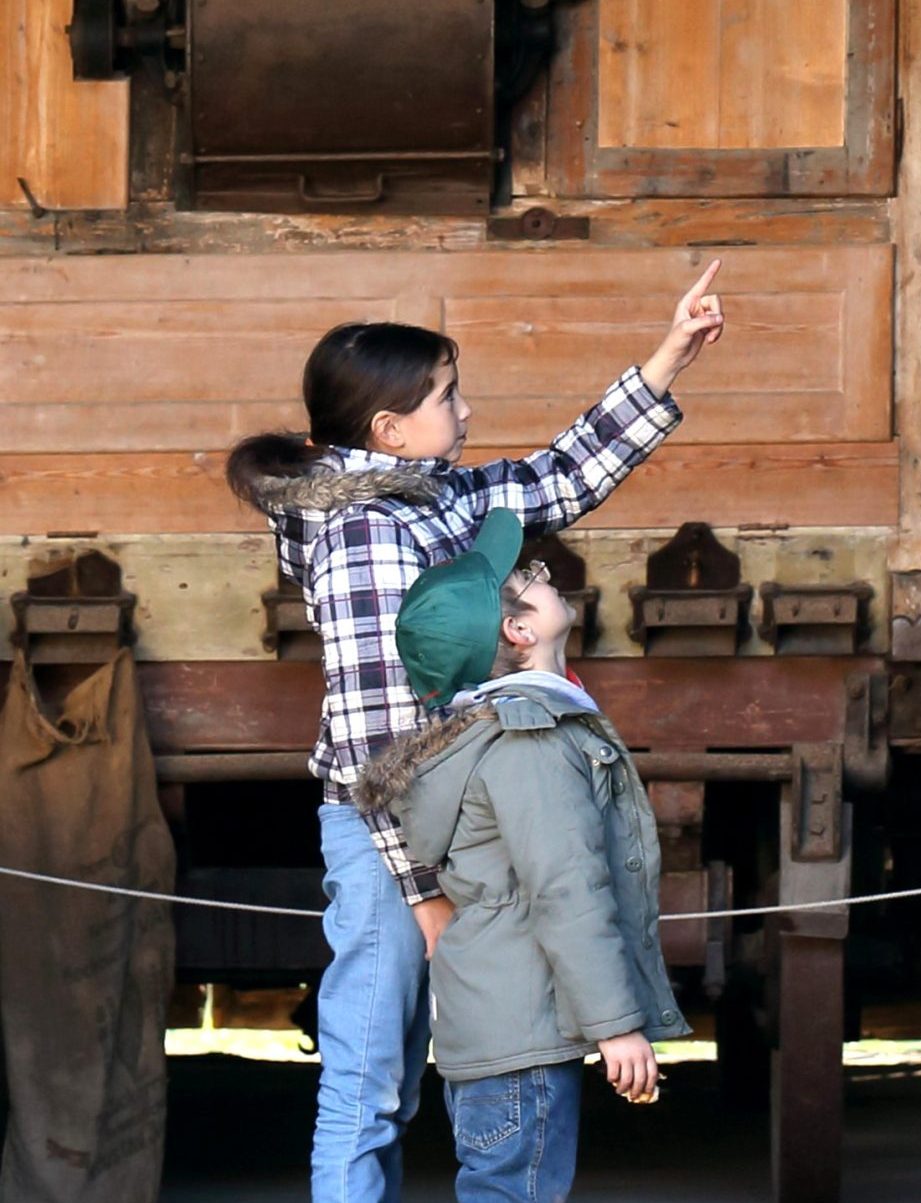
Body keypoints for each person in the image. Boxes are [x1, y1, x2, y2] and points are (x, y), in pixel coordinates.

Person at [224, 262, 722, 1202]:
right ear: (388, 428)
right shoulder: (366, 530)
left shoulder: (430, 493)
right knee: (370, 1083)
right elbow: (379, 733)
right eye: (449, 397)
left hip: (457, 809)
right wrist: (423, 894)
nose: (467, 412)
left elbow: (560, 475)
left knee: (480, 1047)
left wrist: (670, 356)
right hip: (390, 837)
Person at [356, 508, 688, 1201]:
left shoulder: (495, 735)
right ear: (519, 631)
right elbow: (565, 887)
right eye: (526, 578)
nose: (540, 569)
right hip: (524, 1033)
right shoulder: (529, 742)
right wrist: (616, 1025)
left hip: (500, 1028)